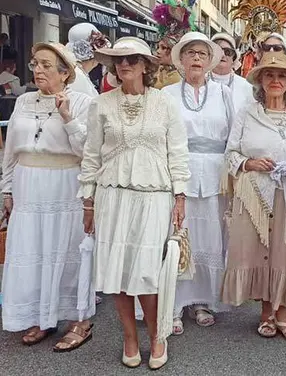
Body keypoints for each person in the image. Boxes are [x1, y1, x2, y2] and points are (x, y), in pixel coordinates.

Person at [80, 37, 190, 369]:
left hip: (155, 195)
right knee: (116, 269)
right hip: (112, 194)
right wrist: (88, 202)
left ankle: (157, 336)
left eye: (132, 59)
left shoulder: (165, 103)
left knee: (147, 270)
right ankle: (130, 337)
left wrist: (180, 195)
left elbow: (178, 152)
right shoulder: (101, 104)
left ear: (146, 65)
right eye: (119, 60)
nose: (124, 65)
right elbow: (91, 155)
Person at [1, 43, 94, 351]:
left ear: (65, 73)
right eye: (35, 64)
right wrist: (7, 188)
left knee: (67, 249)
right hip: (29, 185)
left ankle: (79, 320)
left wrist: (67, 116)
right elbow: (11, 150)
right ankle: (42, 316)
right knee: (33, 248)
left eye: (45, 65)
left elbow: (86, 151)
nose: (38, 70)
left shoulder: (81, 101)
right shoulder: (24, 101)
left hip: (65, 184)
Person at [221, 52, 286, 342]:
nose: (276, 80)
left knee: (285, 252)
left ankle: (284, 314)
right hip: (254, 195)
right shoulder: (247, 113)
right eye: (270, 75)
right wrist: (249, 164)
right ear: (261, 81)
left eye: (281, 76)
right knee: (260, 252)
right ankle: (265, 313)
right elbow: (230, 153)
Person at [163, 32, 232, 335]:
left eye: (202, 54)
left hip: (215, 172)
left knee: (208, 237)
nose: (196, 59)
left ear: (209, 61)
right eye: (190, 53)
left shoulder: (223, 94)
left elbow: (233, 135)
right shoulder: (166, 94)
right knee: (179, 235)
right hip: (179, 172)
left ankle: (202, 300)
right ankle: (175, 303)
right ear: (181, 59)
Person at [210, 32, 255, 113]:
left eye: (228, 52)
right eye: (218, 50)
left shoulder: (246, 87)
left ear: (233, 57)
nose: (223, 55)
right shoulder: (199, 82)